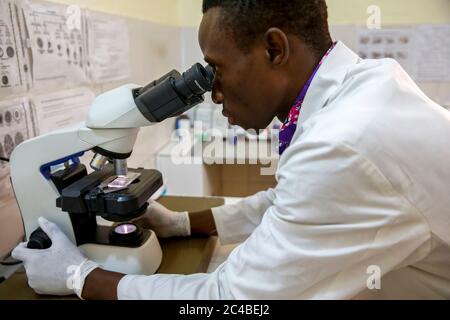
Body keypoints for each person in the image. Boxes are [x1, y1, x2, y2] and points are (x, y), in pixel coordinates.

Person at [12, 0, 450, 299]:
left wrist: (81, 277)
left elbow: (230, 299)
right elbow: (291, 202)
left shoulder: (344, 141)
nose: (213, 93)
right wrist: (182, 223)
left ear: (274, 49)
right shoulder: (359, 88)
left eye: (216, 70)